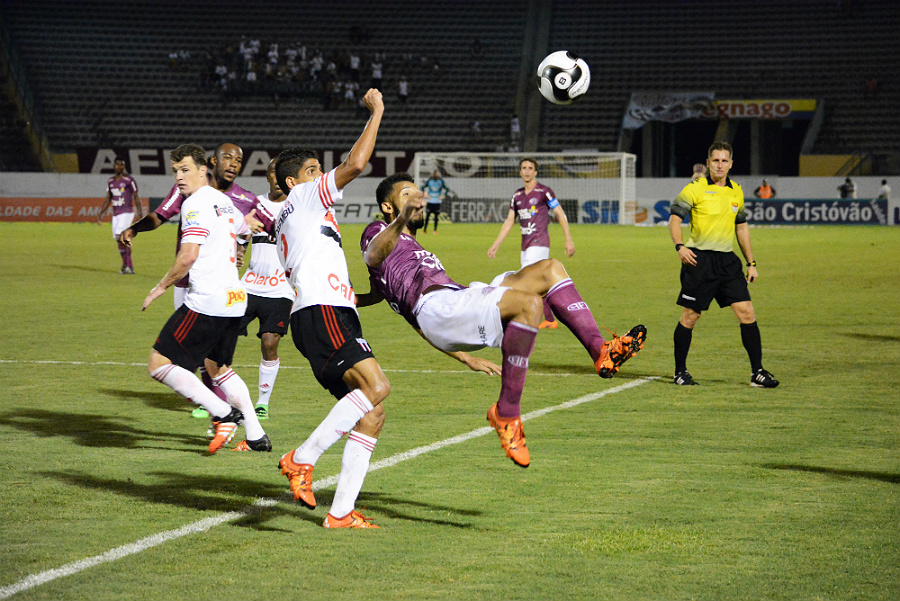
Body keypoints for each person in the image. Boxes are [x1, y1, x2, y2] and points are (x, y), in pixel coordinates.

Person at [358, 173, 646, 469]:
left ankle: (600, 351)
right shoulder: (377, 230)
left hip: (454, 300)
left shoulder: (409, 250)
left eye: (418, 194)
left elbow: (382, 298)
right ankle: (507, 413)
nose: (417, 199)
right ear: (388, 207)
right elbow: (373, 257)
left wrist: (464, 357)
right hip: (437, 307)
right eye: (407, 195)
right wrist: (402, 218)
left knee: (550, 269)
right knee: (530, 306)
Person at [248, 88, 388, 529]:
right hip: (320, 311)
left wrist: (363, 298)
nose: (320, 175)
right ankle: (300, 459)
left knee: (371, 412)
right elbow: (356, 164)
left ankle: (341, 513)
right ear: (293, 182)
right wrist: (378, 112)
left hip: (328, 310)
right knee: (377, 387)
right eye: (311, 170)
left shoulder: (296, 214)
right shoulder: (304, 199)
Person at [142, 144, 270, 454]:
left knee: (159, 364)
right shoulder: (223, 201)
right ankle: (256, 436)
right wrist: (237, 249)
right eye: (175, 171)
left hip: (208, 301)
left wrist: (160, 286)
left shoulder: (195, 204)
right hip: (234, 298)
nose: (179, 177)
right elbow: (244, 230)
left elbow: (188, 256)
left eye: (185, 170)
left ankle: (223, 413)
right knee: (219, 368)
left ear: (203, 170)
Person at [668, 141, 778, 388]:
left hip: (728, 262)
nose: (719, 165)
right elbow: (675, 219)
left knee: (747, 313)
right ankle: (680, 372)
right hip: (699, 261)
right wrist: (680, 246)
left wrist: (751, 262)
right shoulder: (694, 189)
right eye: (715, 160)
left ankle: (757, 373)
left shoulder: (736, 191)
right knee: (690, 316)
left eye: (724, 160)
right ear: (708, 163)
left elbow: (741, 227)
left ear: (731, 163)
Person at [487, 157, 575, 329]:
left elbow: (560, 213)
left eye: (530, 168)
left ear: (535, 172)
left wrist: (568, 239)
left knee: (526, 280)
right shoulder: (517, 195)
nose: (526, 171)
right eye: (524, 168)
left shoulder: (544, 192)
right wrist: (496, 243)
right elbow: (510, 220)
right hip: (525, 245)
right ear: (520, 172)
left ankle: (517, 317)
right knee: (537, 282)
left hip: (539, 242)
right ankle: (550, 319)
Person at [237, 158, 294, 421]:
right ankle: (213, 395)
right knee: (220, 335)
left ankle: (262, 402)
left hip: (281, 289)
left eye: (283, 173)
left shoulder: (297, 209)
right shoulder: (254, 205)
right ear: (269, 176)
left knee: (269, 343)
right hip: (248, 285)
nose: (278, 177)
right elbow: (240, 236)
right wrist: (238, 251)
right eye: (274, 172)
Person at [97, 157, 143, 274]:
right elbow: (108, 198)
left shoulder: (129, 180)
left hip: (127, 212)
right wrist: (101, 214)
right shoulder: (111, 181)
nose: (119, 167)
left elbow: (136, 197)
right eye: (117, 164)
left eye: (121, 165)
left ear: (124, 167)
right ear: (114, 166)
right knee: (118, 239)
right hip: (116, 214)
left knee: (120, 236)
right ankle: (125, 266)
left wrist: (140, 213)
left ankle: (130, 266)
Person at [422, 169, 448, 234]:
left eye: (437, 174)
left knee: (436, 217)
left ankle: (435, 230)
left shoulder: (441, 181)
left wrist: (443, 195)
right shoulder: (429, 181)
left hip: (437, 201)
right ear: (433, 175)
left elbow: (447, 189)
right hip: (430, 201)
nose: (436, 175)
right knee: (427, 216)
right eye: (435, 174)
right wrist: (426, 194)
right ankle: (424, 230)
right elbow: (423, 187)